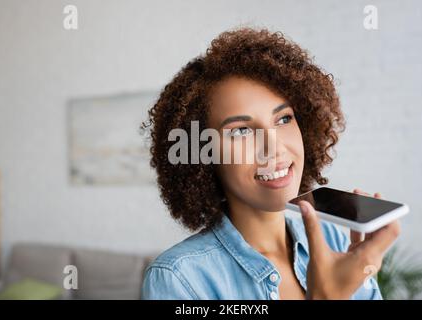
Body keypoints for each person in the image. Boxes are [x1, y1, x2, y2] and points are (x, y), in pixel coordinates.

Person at [141, 27, 400, 300]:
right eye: (241, 130)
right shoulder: (179, 279)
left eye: (284, 119)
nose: (274, 147)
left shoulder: (336, 241)